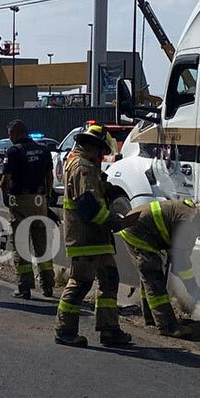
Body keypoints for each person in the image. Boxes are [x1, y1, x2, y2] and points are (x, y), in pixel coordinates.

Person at [54, 124, 131, 348]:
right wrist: (114, 221)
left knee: (109, 279)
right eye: (101, 152)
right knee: (80, 283)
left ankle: (109, 329)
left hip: (98, 237)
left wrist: (107, 189)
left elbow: (95, 196)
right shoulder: (82, 167)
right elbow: (88, 206)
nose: (102, 157)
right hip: (85, 237)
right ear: (93, 147)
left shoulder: (88, 167)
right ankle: (65, 330)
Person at [118, 199, 200, 337]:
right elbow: (181, 264)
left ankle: (150, 318)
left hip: (136, 227)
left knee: (149, 277)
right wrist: (192, 286)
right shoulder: (190, 224)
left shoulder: (193, 215)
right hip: (138, 231)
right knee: (153, 277)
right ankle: (168, 326)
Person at [1, 120, 55, 300]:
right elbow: (50, 177)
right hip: (40, 201)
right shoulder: (44, 150)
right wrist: (46, 198)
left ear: (16, 133)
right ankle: (48, 285)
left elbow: (5, 180)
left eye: (10, 134)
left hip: (21, 201)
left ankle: (24, 287)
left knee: (21, 244)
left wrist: (6, 198)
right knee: (42, 244)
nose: (9, 138)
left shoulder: (14, 151)